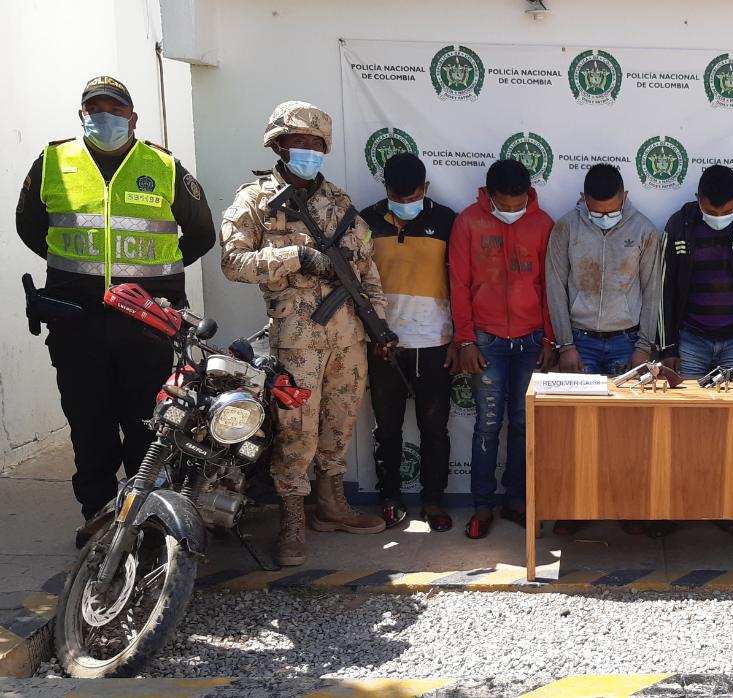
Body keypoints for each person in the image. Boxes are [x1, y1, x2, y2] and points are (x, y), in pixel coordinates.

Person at [15, 76, 215, 531]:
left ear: (133, 118)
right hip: (76, 321)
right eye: (95, 109)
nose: (105, 117)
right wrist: (76, 274)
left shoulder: (163, 166)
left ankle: (141, 520)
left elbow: (201, 233)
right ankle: (99, 519)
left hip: (147, 322)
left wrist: (156, 275)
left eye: (116, 110)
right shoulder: (52, 162)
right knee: (89, 426)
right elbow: (30, 228)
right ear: (82, 115)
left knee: (148, 424)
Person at [221, 100, 388, 566]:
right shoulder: (255, 201)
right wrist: (294, 257)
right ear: (278, 145)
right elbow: (233, 263)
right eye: (298, 142)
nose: (308, 150)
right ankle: (292, 520)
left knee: (339, 424)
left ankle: (332, 506)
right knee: (296, 431)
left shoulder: (339, 202)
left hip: (348, 337)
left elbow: (366, 270)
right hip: (296, 340)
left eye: (316, 143)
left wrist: (378, 323)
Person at [658, 164, 733, 535]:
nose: (719, 217)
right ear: (698, 199)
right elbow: (664, 288)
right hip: (691, 339)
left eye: (726, 211)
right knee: (686, 427)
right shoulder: (679, 225)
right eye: (711, 211)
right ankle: (680, 507)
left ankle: (726, 505)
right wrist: (667, 346)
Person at [545, 163, 663, 537]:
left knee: (627, 433)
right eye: (596, 211)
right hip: (580, 343)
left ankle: (628, 507)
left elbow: (653, 292)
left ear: (625, 197)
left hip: (627, 343)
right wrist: (566, 345)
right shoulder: (566, 228)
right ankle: (576, 508)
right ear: (583, 199)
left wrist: (643, 346)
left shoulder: (644, 230)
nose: (604, 217)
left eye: (612, 210)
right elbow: (555, 287)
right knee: (578, 431)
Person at [450, 159, 556, 540]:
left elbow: (551, 287)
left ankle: (517, 499)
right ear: (489, 195)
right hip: (486, 341)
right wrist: (465, 340)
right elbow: (459, 285)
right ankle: (482, 504)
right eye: (504, 205)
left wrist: (549, 339)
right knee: (488, 424)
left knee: (525, 424)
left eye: (519, 205)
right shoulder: (468, 223)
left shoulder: (543, 224)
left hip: (531, 341)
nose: (512, 212)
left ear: (529, 195)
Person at [358, 153, 458, 530]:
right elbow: (356, 283)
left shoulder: (447, 221)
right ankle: (390, 498)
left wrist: (458, 340)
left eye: (413, 196)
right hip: (384, 344)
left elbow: (461, 283)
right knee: (387, 429)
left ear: (426, 188)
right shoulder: (365, 222)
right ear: (385, 189)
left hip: (435, 341)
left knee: (434, 428)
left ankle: (434, 501)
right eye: (397, 198)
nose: (405, 203)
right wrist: (373, 333)